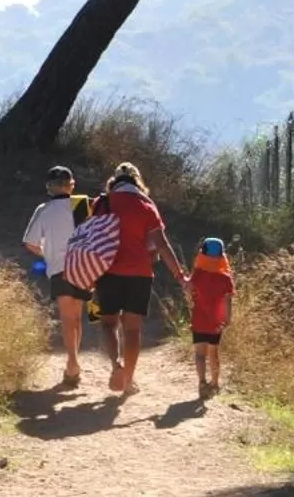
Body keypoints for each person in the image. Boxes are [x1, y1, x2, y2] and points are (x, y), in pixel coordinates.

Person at [92, 162, 189, 397]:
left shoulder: (102, 203)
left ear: (114, 181)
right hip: (139, 274)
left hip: (108, 271)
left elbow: (91, 238)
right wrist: (180, 275)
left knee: (108, 324)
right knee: (133, 330)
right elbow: (162, 245)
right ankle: (129, 380)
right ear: (138, 181)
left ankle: (116, 364)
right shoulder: (147, 206)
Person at [22, 166, 98, 388]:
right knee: (77, 316)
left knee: (67, 318)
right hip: (83, 267)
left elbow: (30, 242)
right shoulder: (84, 204)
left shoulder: (44, 209)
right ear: (71, 185)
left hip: (59, 269)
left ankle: (72, 364)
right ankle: (74, 363)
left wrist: (48, 254)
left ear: (49, 186)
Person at [189, 238, 235, 398]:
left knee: (199, 353)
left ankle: (202, 382)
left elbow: (190, 291)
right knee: (213, 353)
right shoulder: (225, 278)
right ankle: (215, 384)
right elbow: (228, 300)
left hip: (199, 319)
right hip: (216, 321)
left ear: (202, 254)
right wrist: (228, 318)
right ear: (222, 255)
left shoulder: (197, 275)